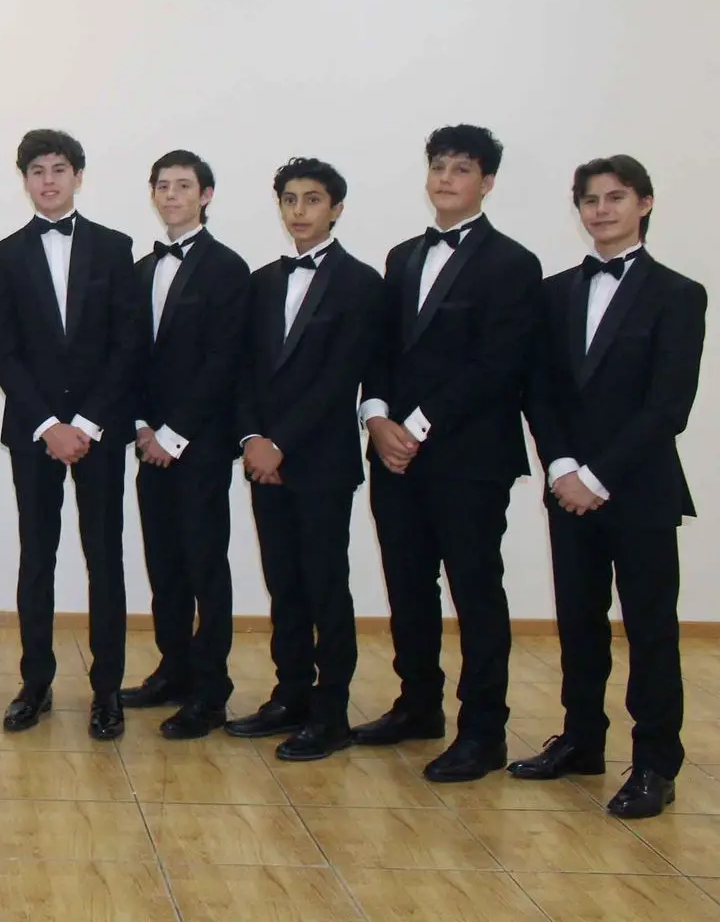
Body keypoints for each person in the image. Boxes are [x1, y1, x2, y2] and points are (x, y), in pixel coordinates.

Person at [515, 155, 706, 818]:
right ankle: (581, 740)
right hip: (568, 486)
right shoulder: (553, 293)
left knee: (650, 629)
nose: (601, 210)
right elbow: (540, 390)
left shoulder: (679, 294)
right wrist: (562, 469)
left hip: (640, 488)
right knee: (579, 621)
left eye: (616, 197)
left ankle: (655, 763)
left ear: (644, 204)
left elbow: (668, 406)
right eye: (590, 200)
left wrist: (597, 476)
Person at [354, 125, 541, 783]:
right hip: (394, 454)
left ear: (486, 182)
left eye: (462, 168)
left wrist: (416, 424)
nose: (446, 178)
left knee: (475, 592)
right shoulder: (402, 257)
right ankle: (418, 706)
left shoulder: (513, 264)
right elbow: (379, 350)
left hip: (469, 458)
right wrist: (377, 418)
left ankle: (483, 732)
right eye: (438, 166)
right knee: (408, 585)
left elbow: (500, 363)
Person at [0, 130, 140, 740]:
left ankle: (108, 691)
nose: (48, 181)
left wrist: (88, 424)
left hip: (101, 430)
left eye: (58, 169)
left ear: (78, 176)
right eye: (37, 171)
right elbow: (4, 350)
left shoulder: (115, 247)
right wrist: (49, 426)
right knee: (37, 558)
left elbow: (126, 343)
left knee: (106, 558)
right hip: (36, 431)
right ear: (24, 179)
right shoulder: (2, 256)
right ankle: (36, 684)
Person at [231, 158, 383, 762]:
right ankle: (289, 694)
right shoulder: (262, 281)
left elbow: (341, 376)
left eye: (313, 199)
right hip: (263, 459)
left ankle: (331, 711)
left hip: (320, 460)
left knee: (325, 585)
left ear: (336, 208)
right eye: (290, 199)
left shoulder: (361, 282)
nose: (300, 210)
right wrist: (252, 439)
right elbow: (243, 369)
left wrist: (282, 442)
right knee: (283, 582)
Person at [123, 150, 249, 740]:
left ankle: (211, 691)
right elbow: (131, 357)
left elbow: (224, 361)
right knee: (164, 564)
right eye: (163, 186)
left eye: (183, 185)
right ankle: (172, 670)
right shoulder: (142, 269)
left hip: (198, 446)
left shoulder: (227, 268)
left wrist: (174, 434)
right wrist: (142, 427)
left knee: (205, 566)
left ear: (206, 195)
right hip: (150, 442)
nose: (171, 195)